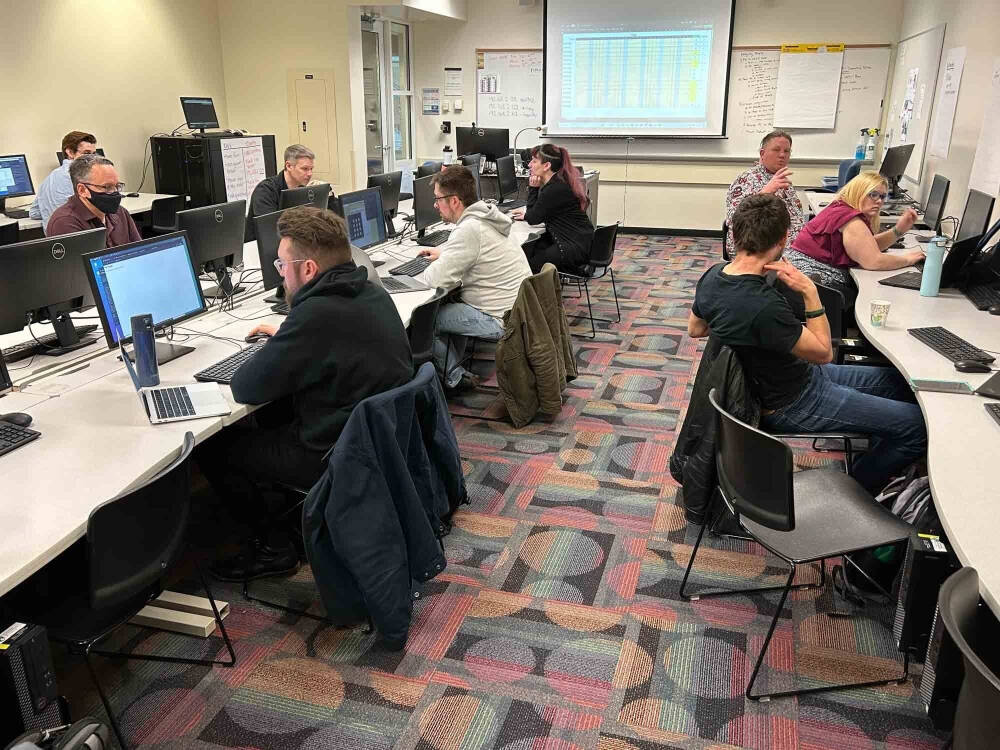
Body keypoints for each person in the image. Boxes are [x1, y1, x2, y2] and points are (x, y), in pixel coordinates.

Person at [199, 206, 413, 580]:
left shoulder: (316, 314)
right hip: (376, 440)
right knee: (273, 414)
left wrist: (283, 342)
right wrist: (288, 338)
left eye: (282, 266)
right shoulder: (368, 291)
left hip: (334, 453)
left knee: (217, 447)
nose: (280, 275)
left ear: (309, 269)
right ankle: (298, 519)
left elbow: (246, 386)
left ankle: (274, 548)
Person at [687, 193, 926, 495]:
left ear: (734, 234)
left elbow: (695, 328)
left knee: (899, 382)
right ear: (784, 238)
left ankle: (877, 455)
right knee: (916, 426)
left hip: (799, 376)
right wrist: (809, 293)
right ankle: (855, 491)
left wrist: (740, 327)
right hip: (794, 402)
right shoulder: (763, 305)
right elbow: (824, 352)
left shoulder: (712, 277)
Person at [415, 165, 532, 390]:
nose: (435, 205)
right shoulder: (486, 216)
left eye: (438, 199)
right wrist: (447, 254)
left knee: (426, 322)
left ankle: (454, 377)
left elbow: (433, 280)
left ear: (455, 201)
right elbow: (476, 252)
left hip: (500, 318)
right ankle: (454, 370)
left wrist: (437, 261)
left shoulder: (469, 229)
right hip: (517, 309)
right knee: (450, 304)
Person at [785, 171, 925, 305]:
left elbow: (865, 247)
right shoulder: (852, 221)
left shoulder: (841, 207)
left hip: (796, 274)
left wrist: (898, 230)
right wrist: (907, 259)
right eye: (873, 195)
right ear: (859, 192)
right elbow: (873, 261)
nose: (879, 201)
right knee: (869, 297)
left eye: (882, 196)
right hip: (812, 280)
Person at [512, 144, 594, 274]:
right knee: (531, 249)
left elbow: (534, 218)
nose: (529, 165)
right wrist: (528, 214)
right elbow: (537, 213)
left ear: (546, 166)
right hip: (579, 241)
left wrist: (533, 188)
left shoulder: (554, 189)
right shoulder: (560, 182)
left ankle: (543, 292)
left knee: (526, 266)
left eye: (534, 161)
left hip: (571, 248)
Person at [725, 130, 805, 251]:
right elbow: (734, 218)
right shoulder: (747, 179)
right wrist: (766, 191)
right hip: (758, 247)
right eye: (776, 150)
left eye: (786, 151)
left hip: (790, 244)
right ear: (762, 153)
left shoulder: (781, 178)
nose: (782, 155)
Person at [46, 154, 142, 247]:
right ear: (82, 190)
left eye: (117, 186)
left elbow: (140, 251)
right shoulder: (64, 223)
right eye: (107, 187)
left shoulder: (120, 212)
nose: (115, 192)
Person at [245, 144, 334, 241]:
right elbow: (270, 229)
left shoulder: (303, 188)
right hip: (258, 248)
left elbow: (331, 220)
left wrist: (328, 194)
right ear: (289, 166)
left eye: (311, 169)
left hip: (293, 243)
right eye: (304, 169)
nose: (310, 174)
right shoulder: (265, 190)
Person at [29, 131, 98, 234]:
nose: (92, 159)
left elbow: (34, 213)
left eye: (94, 154)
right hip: (80, 238)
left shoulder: (48, 178)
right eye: (86, 153)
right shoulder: (81, 177)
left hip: (55, 243)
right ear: (70, 152)